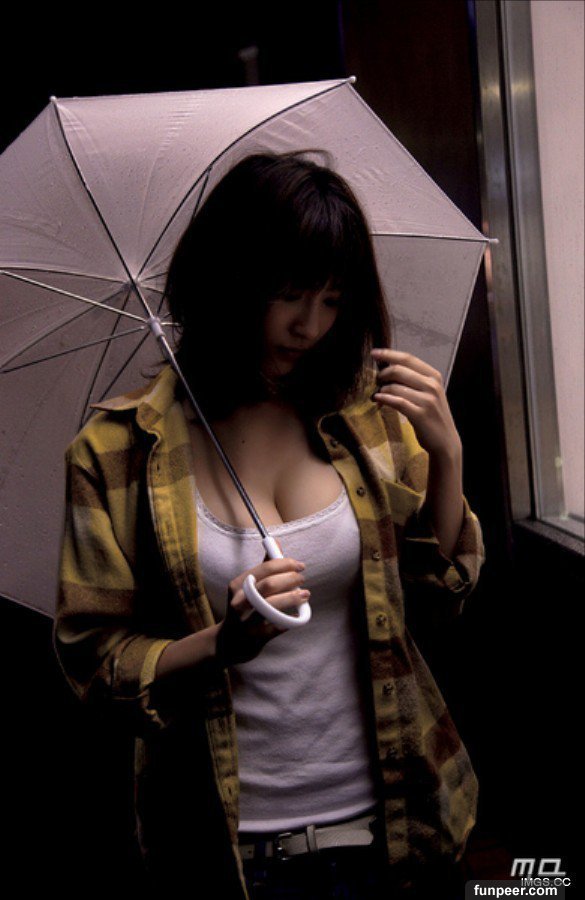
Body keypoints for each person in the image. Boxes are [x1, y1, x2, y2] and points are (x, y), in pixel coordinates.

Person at [53, 150, 485, 899]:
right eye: (288, 296)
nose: (310, 326)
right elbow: (95, 664)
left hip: (399, 825)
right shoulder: (115, 451)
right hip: (226, 850)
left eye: (331, 299)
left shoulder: (368, 417)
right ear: (230, 280)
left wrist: (447, 456)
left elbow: (436, 600)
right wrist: (220, 643)